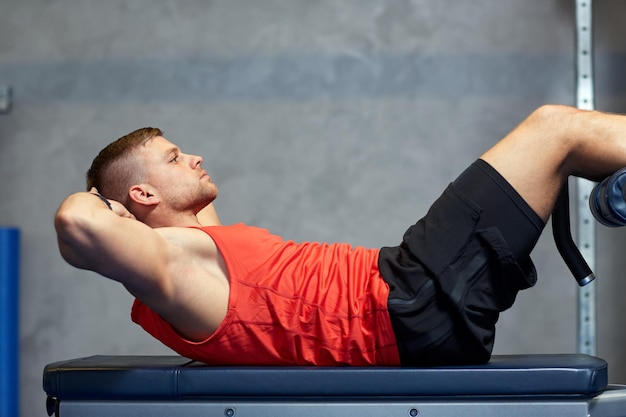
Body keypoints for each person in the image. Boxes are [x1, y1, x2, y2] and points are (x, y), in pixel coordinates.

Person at [54, 104, 625, 367]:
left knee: (563, 149)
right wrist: (106, 203)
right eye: (174, 158)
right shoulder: (172, 268)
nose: (195, 156)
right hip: (407, 302)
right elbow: (78, 222)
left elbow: (193, 216)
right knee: (557, 130)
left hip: (411, 305)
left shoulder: (200, 246)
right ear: (141, 199)